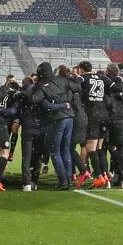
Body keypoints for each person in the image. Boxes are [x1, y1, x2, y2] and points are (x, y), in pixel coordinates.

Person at [30, 62, 75, 190]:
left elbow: (37, 100)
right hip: (69, 116)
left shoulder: (42, 86)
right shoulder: (61, 80)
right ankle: (69, 178)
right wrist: (65, 103)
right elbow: (74, 88)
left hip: (57, 119)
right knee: (65, 150)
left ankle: (63, 181)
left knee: (54, 151)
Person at [76, 61, 110, 189]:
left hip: (93, 115)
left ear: (81, 69)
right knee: (99, 148)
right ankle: (105, 175)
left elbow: (74, 84)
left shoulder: (82, 78)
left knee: (90, 148)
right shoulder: (101, 78)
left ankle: (99, 177)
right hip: (104, 115)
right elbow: (113, 86)